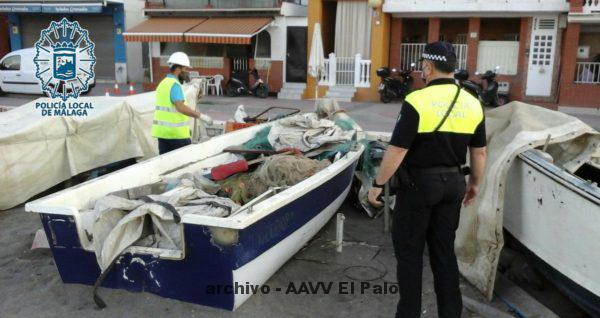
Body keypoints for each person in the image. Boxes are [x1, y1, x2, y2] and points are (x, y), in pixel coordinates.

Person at [368, 41, 487, 318]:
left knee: (410, 255)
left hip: (419, 187)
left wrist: (377, 185)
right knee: (444, 252)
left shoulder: (416, 101)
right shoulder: (472, 102)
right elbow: (479, 151)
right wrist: (475, 184)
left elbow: (397, 150)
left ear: (428, 66)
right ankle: (450, 313)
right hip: (455, 184)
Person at [152, 51, 201, 155]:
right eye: (185, 69)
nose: (187, 72)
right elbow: (180, 107)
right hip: (177, 136)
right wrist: (199, 115)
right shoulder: (175, 85)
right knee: (184, 166)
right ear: (178, 69)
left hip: (163, 135)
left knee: (166, 166)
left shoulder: (163, 83)